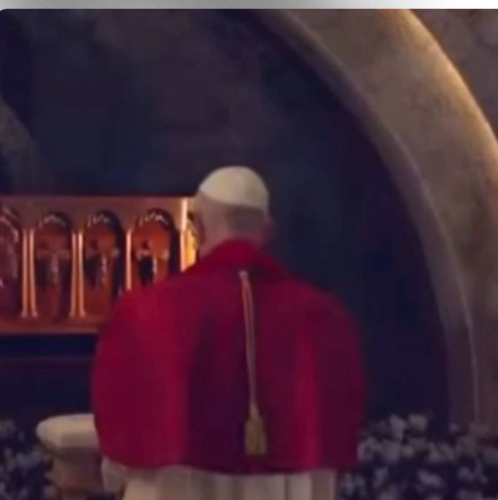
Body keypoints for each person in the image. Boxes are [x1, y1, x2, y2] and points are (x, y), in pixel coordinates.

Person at [92, 166, 367, 500]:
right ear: (267, 231)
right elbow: (339, 426)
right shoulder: (324, 316)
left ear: (199, 227)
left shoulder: (147, 312)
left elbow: (121, 425)